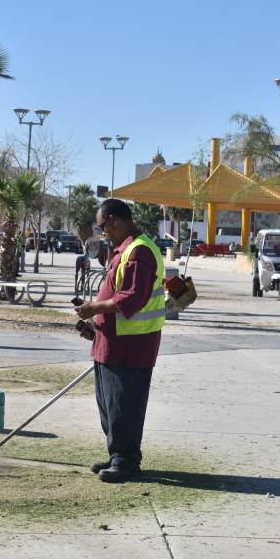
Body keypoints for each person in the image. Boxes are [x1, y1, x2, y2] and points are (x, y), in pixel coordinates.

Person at [74, 199, 165, 483]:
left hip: (131, 347)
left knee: (124, 404)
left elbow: (132, 299)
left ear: (114, 220)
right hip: (111, 343)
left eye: (103, 228)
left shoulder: (139, 251)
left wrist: (95, 308)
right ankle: (117, 454)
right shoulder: (123, 250)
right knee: (109, 404)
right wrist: (94, 325)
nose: (104, 234)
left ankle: (126, 461)